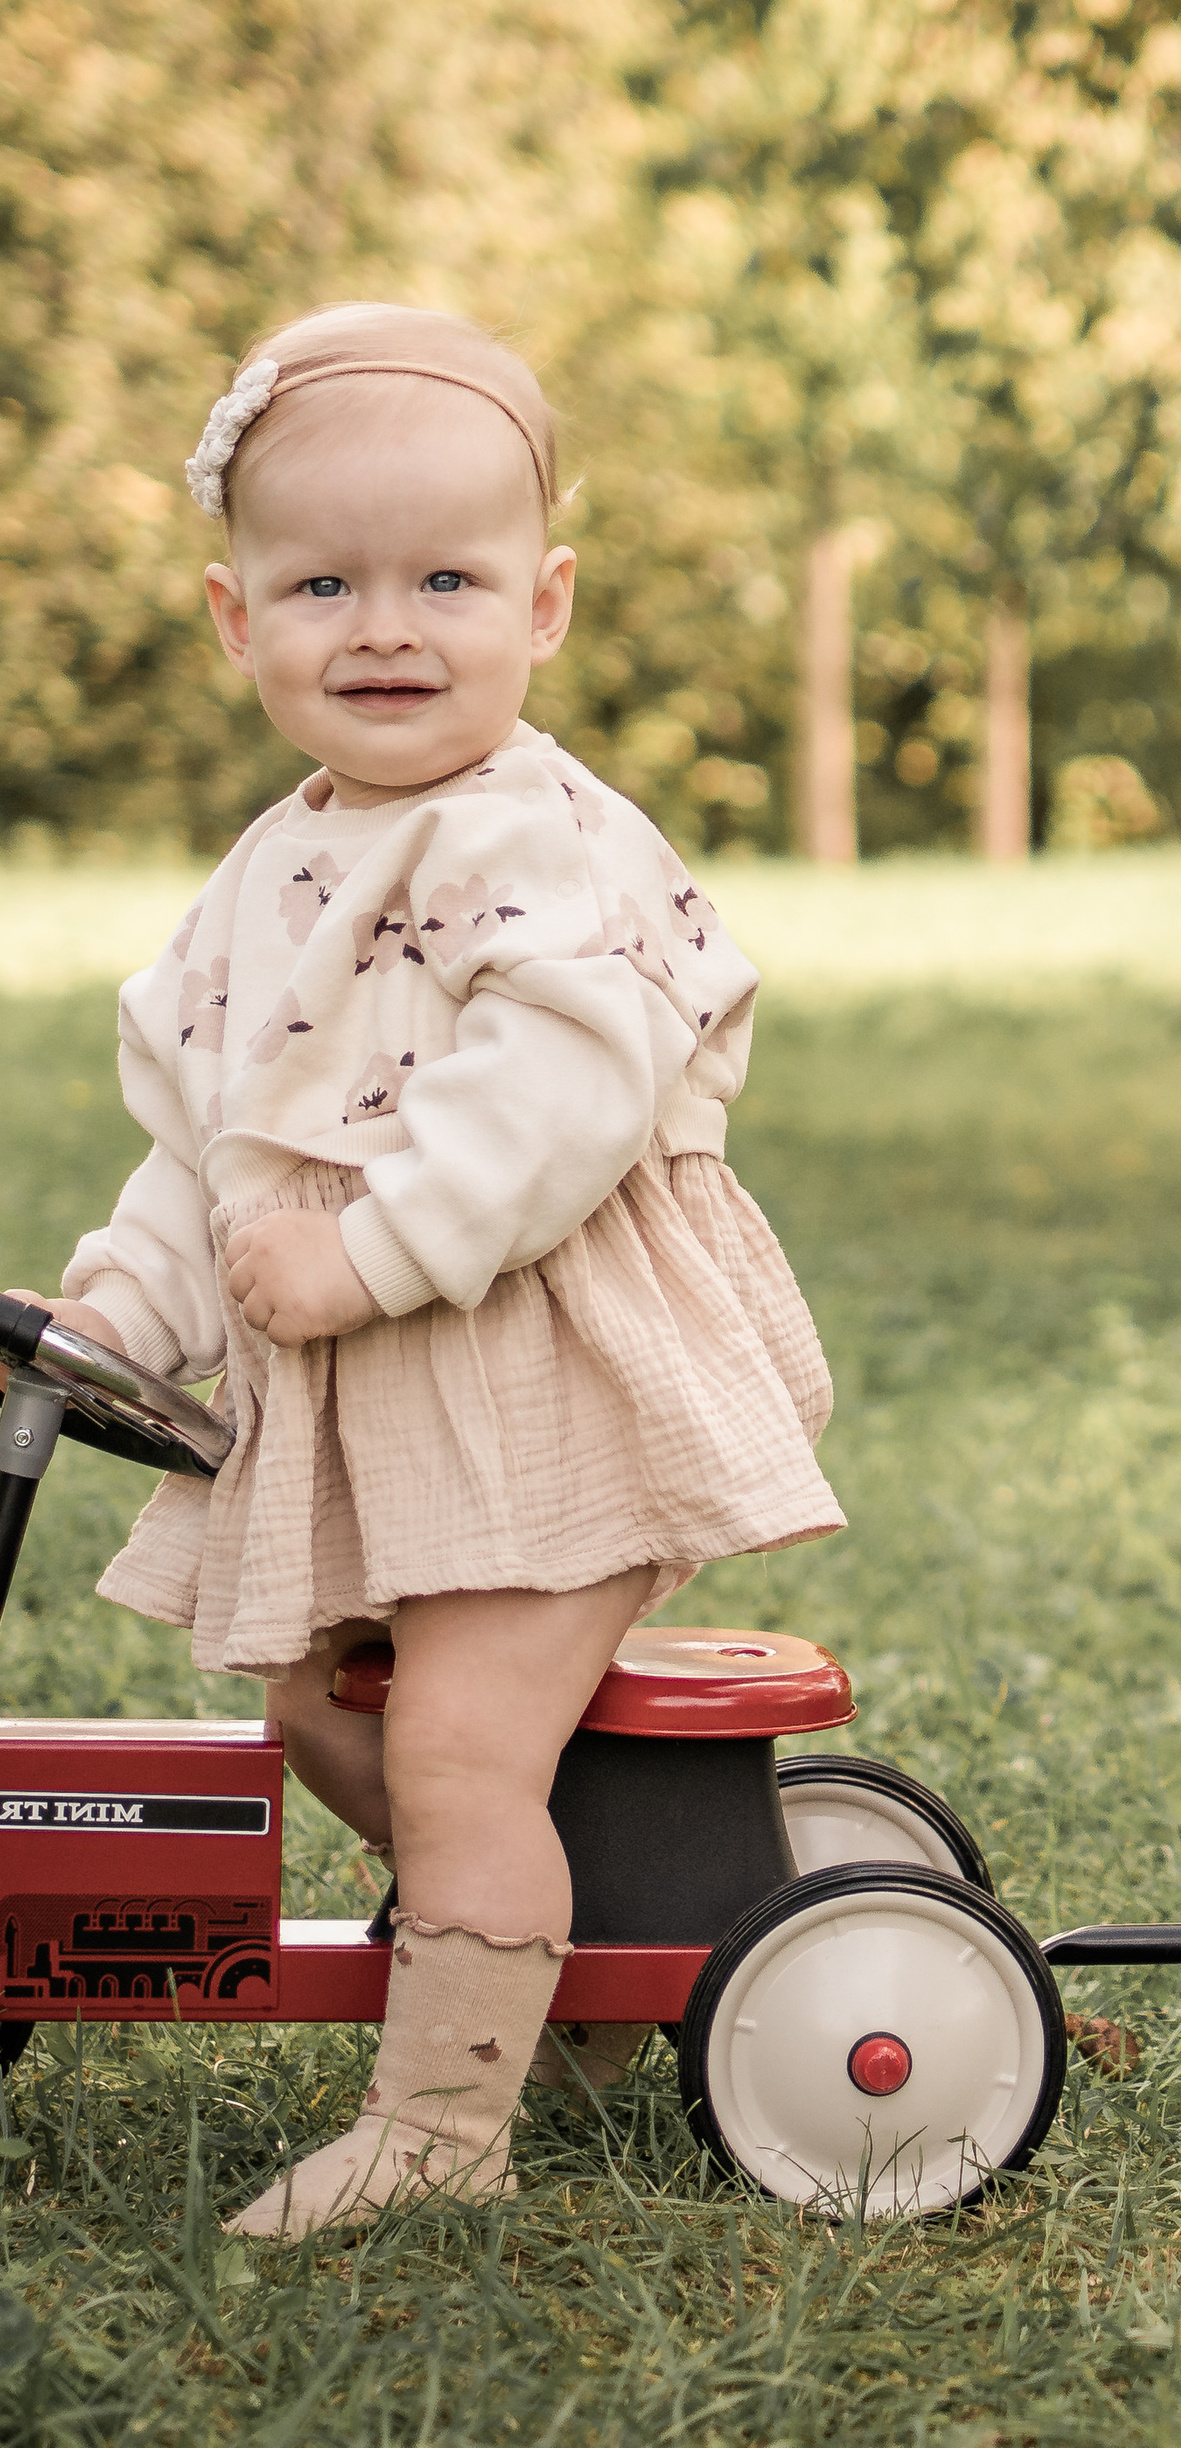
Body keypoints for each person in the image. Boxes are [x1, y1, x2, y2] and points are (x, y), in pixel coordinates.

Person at [8, 303, 845, 2236]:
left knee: (459, 1738)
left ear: (543, 606)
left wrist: (373, 1250)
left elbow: (562, 1097)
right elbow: (216, 1149)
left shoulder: (537, 838)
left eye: (446, 581)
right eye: (324, 584)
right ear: (236, 621)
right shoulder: (265, 870)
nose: (385, 628)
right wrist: (117, 1314)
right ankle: (568, 1945)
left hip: (550, 1366)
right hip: (386, 1389)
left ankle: (443, 2132)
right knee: (319, 1711)